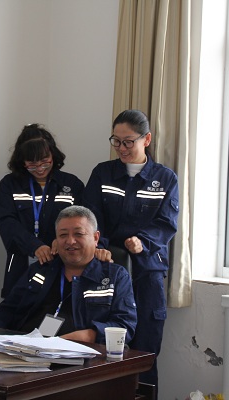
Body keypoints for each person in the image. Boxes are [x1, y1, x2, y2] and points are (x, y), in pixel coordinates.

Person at [82, 109, 179, 396]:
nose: (121, 148)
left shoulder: (165, 178)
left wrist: (142, 242)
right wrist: (100, 246)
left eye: (128, 142)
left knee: (145, 350)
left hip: (147, 272)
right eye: (116, 141)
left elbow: (167, 223)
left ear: (146, 140)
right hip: (107, 269)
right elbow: (90, 216)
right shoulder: (103, 173)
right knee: (104, 347)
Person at [0, 205, 137, 344]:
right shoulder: (40, 270)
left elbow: (124, 326)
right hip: (27, 348)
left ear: (96, 238)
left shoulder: (115, 276)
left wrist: (87, 336)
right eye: (63, 235)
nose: (70, 241)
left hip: (82, 354)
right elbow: (8, 309)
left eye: (78, 234)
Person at [0, 124, 84, 298]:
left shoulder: (71, 184)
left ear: (53, 154)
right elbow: (7, 223)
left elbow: (82, 222)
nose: (39, 168)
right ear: (22, 161)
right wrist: (34, 246)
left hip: (61, 263)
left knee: (57, 309)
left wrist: (61, 240)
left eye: (45, 161)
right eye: (32, 164)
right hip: (22, 265)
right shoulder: (10, 184)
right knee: (17, 310)